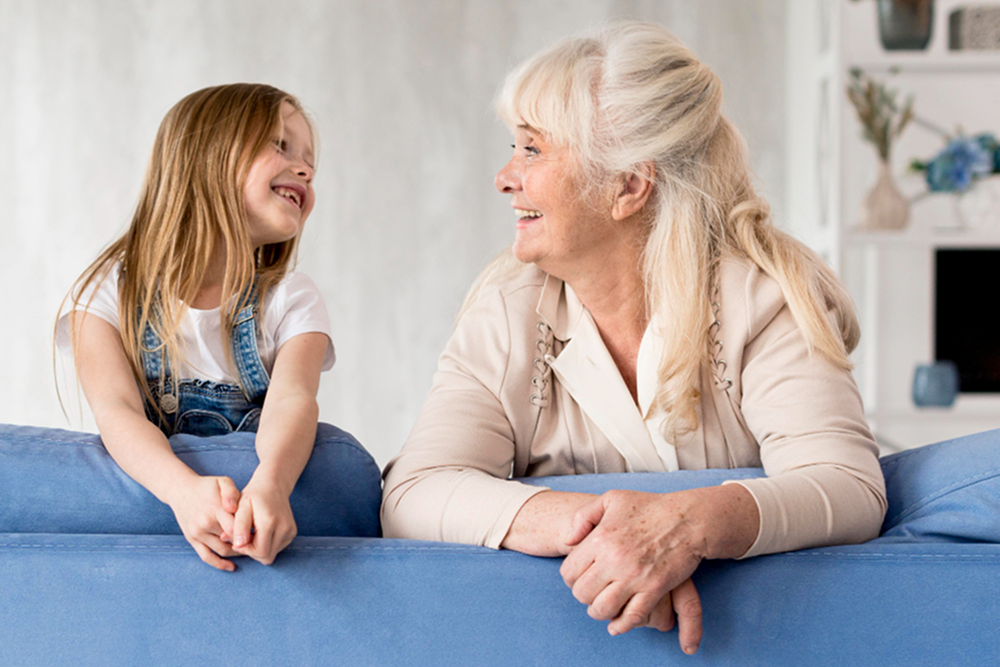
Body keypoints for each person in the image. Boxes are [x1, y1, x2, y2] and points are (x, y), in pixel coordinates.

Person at [381, 22, 886, 655]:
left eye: (533, 150)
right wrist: (604, 532)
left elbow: (848, 487)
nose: (505, 177)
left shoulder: (763, 297)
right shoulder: (506, 309)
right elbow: (411, 494)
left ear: (628, 186)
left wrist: (687, 527)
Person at [57, 84, 335, 572]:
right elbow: (116, 409)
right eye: (280, 144)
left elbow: (294, 399)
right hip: (163, 491)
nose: (306, 169)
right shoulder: (107, 290)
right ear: (204, 157)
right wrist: (183, 492)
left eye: (310, 159)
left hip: (251, 507)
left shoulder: (291, 297)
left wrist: (271, 484)